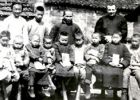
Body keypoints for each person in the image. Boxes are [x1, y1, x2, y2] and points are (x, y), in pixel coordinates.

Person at [102, 32, 131, 100]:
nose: (115, 39)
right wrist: (109, 62)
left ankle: (115, 93)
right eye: (113, 37)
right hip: (109, 65)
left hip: (118, 65)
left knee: (118, 73)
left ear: (120, 38)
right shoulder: (108, 45)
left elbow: (128, 57)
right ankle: (103, 91)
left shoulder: (123, 46)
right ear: (111, 38)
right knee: (106, 72)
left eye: (117, 37)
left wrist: (122, 64)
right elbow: (104, 55)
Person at [84, 32, 105, 99]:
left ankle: (101, 90)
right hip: (89, 63)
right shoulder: (89, 46)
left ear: (99, 39)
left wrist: (93, 54)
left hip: (97, 64)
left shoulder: (101, 46)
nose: (94, 39)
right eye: (93, 38)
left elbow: (101, 55)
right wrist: (92, 57)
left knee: (100, 73)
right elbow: (85, 53)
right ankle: (87, 90)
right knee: (87, 73)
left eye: (96, 38)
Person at [9, 35, 29, 100]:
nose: (18, 45)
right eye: (16, 43)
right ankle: (13, 96)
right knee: (15, 83)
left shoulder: (24, 50)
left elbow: (27, 58)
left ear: (22, 44)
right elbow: (9, 59)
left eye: (20, 44)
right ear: (13, 43)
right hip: (14, 68)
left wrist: (23, 63)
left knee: (26, 78)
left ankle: (24, 94)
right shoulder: (11, 50)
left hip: (23, 68)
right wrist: (13, 64)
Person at [123, 34, 140, 100]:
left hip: (138, 67)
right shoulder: (128, 48)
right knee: (125, 74)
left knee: (139, 75)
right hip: (129, 66)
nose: (134, 43)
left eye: (136, 41)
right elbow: (125, 57)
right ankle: (124, 92)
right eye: (132, 41)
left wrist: (137, 65)